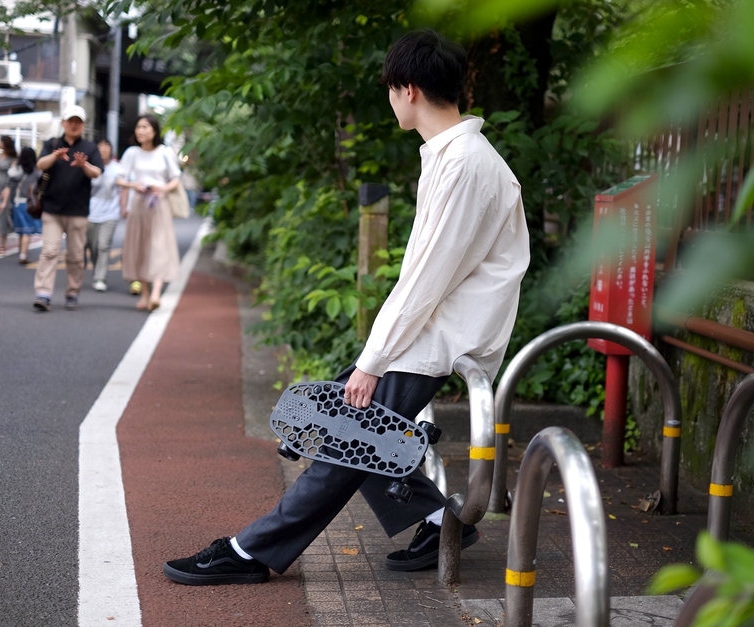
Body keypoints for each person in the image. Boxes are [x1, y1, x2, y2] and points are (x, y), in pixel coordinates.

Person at [163, 29, 530, 586]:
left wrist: (373, 360)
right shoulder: (454, 156)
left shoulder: (465, 165)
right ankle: (436, 519)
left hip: (439, 335)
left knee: (345, 441)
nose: (389, 99)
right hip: (431, 330)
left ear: (407, 89)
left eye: (389, 89)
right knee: (350, 425)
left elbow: (425, 280)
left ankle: (251, 552)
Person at [32, 105, 104, 312]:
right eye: (70, 121)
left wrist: (83, 165)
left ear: (83, 125)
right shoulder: (52, 144)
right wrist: (55, 156)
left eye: (78, 122)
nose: (74, 125)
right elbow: (40, 165)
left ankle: (72, 293)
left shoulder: (90, 148)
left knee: (75, 256)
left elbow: (97, 173)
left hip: (78, 210)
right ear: (63, 123)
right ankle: (43, 294)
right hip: (52, 208)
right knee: (49, 251)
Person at [115, 114, 181, 311]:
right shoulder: (132, 153)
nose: (141, 131)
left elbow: (176, 178)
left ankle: (155, 292)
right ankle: (144, 294)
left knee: (158, 247)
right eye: (138, 127)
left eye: (145, 127)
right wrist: (132, 184)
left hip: (159, 205)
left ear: (154, 131)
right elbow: (119, 178)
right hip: (139, 206)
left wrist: (163, 189)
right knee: (141, 249)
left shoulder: (165, 152)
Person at [86, 139, 125, 292]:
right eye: (100, 146)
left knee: (103, 245)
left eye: (106, 146)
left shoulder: (117, 168)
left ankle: (100, 277)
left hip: (111, 212)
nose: (103, 149)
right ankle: (98, 269)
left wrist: (123, 207)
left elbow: (123, 187)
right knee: (93, 245)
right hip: (90, 211)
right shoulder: (89, 166)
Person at [11, 146, 43, 264]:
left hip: (17, 203)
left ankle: (21, 252)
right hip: (29, 203)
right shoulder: (36, 172)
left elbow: (10, 179)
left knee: (21, 231)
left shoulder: (17, 170)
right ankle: (23, 256)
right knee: (27, 231)